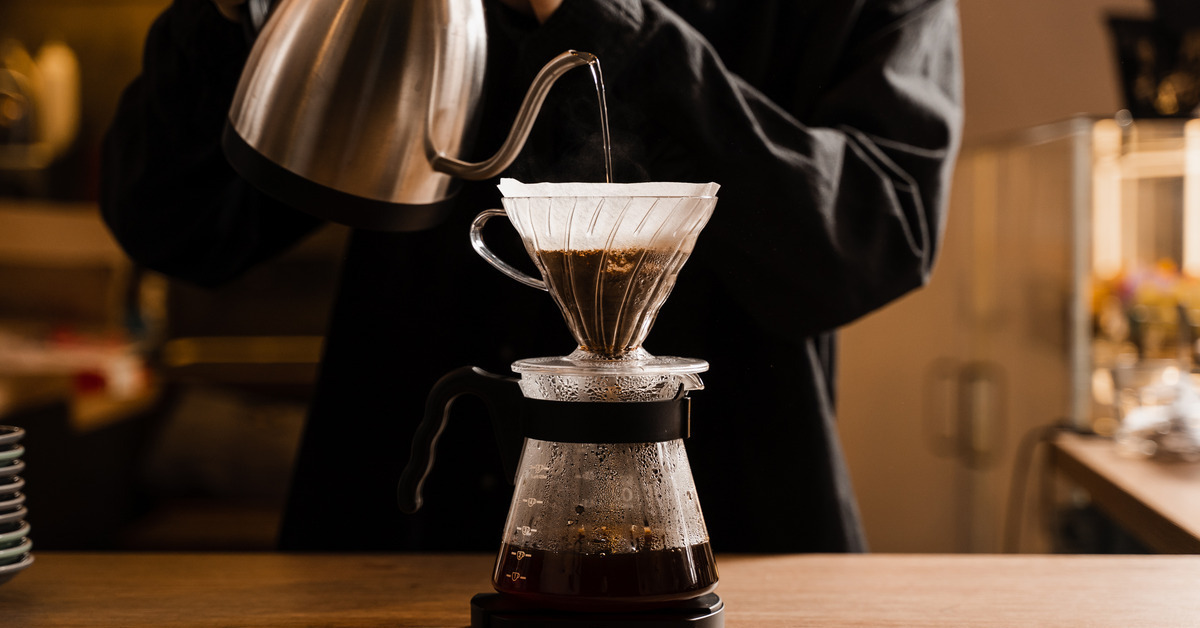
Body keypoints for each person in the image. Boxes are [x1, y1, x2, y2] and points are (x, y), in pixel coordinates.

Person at [102, 0, 962, 553]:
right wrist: (227, 16)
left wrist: (596, 20)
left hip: (734, 554)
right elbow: (177, 229)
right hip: (397, 543)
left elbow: (877, 237)